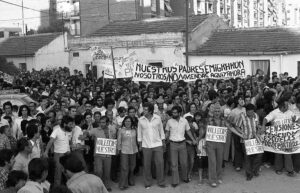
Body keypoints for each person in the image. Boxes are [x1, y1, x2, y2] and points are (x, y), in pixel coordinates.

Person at [262, 95, 296, 176]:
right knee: (278, 154)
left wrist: (296, 121)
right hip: (277, 138)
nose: (288, 106)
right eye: (287, 105)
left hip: (288, 137)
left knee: (288, 154)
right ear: (282, 107)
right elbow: (266, 119)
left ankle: (290, 170)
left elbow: (297, 119)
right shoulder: (274, 112)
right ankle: (278, 169)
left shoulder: (290, 112)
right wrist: (263, 126)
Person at [165, 106, 197, 187]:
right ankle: (175, 181)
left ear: (179, 113)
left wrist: (193, 139)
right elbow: (167, 133)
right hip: (173, 144)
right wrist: (163, 140)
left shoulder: (184, 120)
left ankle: (184, 177)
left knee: (184, 163)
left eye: (175, 113)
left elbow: (188, 131)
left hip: (183, 144)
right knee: (174, 163)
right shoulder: (169, 121)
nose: (173, 114)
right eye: (173, 113)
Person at [137, 102, 166, 189]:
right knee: (146, 164)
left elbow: (161, 131)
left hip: (157, 144)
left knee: (160, 163)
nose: (143, 111)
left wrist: (163, 142)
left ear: (150, 111)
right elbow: (139, 134)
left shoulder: (158, 118)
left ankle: (161, 182)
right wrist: (140, 145)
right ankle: (147, 182)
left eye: (145, 109)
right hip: (146, 145)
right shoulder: (140, 120)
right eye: (143, 109)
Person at [82, 116, 113, 191]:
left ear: (107, 123)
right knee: (99, 171)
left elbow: (113, 141)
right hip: (98, 155)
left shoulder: (111, 130)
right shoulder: (95, 130)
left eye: (104, 122)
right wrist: (86, 131)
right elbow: (87, 134)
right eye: (100, 122)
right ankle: (99, 186)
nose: (102, 124)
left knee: (107, 172)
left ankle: (107, 186)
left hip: (108, 155)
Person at [43, 116, 73, 185]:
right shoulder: (56, 130)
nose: (72, 126)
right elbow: (50, 142)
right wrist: (46, 151)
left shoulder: (69, 131)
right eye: (70, 124)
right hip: (58, 156)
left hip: (68, 155)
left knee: (69, 175)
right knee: (58, 176)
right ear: (65, 124)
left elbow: (68, 143)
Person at [236, 104, 263, 180]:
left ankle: (255, 170)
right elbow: (237, 126)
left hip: (255, 139)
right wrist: (241, 133)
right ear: (246, 111)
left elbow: (257, 124)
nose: (251, 114)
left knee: (259, 155)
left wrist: (259, 127)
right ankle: (249, 174)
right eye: (250, 113)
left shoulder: (256, 115)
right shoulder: (241, 116)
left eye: (252, 112)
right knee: (247, 158)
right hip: (246, 140)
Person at [117, 116, 138, 190]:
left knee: (132, 166)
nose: (127, 123)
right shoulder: (121, 130)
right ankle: (123, 184)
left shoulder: (135, 130)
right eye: (126, 121)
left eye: (129, 121)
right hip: (124, 151)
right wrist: (118, 149)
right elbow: (119, 140)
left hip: (133, 150)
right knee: (124, 167)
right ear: (124, 122)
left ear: (131, 122)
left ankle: (130, 179)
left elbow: (138, 139)